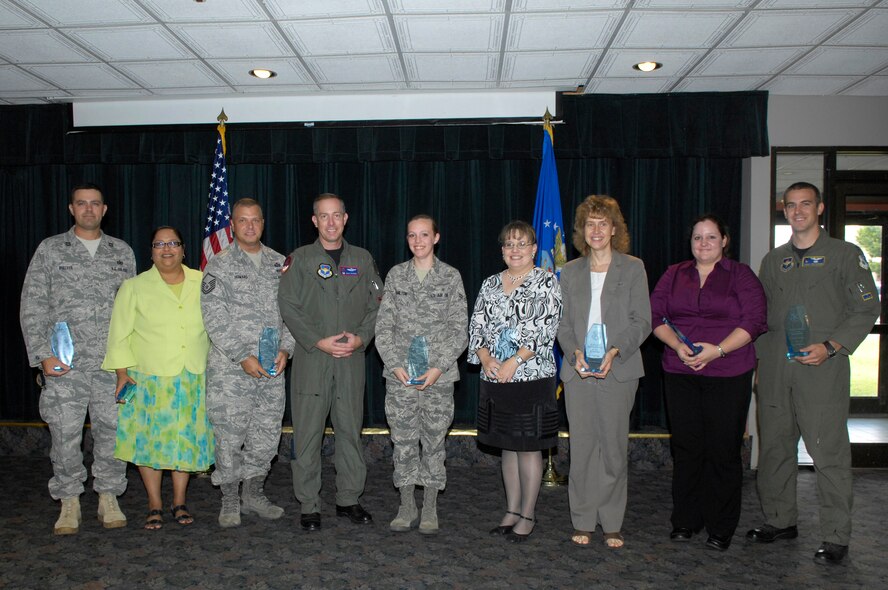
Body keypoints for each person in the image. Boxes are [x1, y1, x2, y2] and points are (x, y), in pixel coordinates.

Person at [749, 182, 880, 565]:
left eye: (806, 204)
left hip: (822, 367)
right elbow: (763, 318)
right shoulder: (773, 261)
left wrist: (832, 346)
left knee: (828, 452)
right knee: (774, 447)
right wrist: (759, 363)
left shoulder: (844, 254)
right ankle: (780, 519)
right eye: (791, 206)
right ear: (784, 211)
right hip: (775, 368)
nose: (798, 211)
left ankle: (836, 535)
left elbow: (865, 309)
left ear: (820, 208)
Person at [20, 183, 136, 535]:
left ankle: (108, 496)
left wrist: (127, 365)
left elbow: (132, 312)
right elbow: (32, 305)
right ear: (71, 209)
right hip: (64, 365)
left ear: (105, 209)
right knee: (65, 434)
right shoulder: (51, 250)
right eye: (81, 204)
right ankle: (69, 501)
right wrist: (42, 356)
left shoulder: (122, 252)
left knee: (112, 433)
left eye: (95, 204)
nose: (88, 209)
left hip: (110, 365)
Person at [650, 214, 767, 551]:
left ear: (724, 241)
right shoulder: (674, 274)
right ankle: (686, 519)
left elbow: (755, 321)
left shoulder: (741, 275)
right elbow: (655, 316)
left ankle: (720, 525)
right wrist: (677, 345)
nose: (703, 243)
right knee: (686, 449)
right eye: (697, 237)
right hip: (680, 371)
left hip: (728, 373)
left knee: (723, 449)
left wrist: (717, 351)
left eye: (711, 237)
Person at [278, 193, 383, 531]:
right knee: (307, 434)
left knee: (350, 431)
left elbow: (378, 304)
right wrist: (316, 340)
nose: (331, 222)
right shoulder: (300, 259)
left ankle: (348, 499)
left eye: (336, 215)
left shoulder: (362, 259)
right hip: (312, 359)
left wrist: (362, 338)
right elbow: (288, 305)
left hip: (351, 359)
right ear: (314, 221)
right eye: (324, 216)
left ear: (346, 218)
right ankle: (309, 504)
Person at [102, 226, 214, 530]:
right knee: (149, 442)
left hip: (191, 375)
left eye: (173, 243)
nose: (167, 249)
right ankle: (154, 503)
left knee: (184, 441)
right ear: (151, 251)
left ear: (184, 249)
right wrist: (122, 373)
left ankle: (179, 501)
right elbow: (119, 334)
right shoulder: (135, 286)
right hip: (148, 378)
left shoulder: (202, 282)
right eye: (159, 244)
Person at [557, 195, 651, 549]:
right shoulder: (569, 271)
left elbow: (642, 321)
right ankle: (582, 518)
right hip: (578, 369)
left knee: (612, 448)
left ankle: (611, 521)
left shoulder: (633, 267)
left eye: (603, 223)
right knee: (582, 448)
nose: (596, 230)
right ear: (583, 230)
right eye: (590, 224)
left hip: (619, 368)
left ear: (614, 229)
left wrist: (614, 351)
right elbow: (562, 324)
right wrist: (575, 352)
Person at [201, 198, 295, 528]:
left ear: (263, 222)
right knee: (229, 436)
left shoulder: (281, 263)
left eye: (256, 220)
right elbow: (214, 317)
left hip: (272, 369)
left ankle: (254, 494)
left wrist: (287, 349)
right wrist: (242, 356)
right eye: (243, 220)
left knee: (266, 435)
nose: (250, 226)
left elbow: (293, 313)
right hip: (231, 370)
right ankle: (229, 498)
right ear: (232, 224)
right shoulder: (219, 265)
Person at [468, 220, 562, 543]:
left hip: (530, 377)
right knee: (507, 444)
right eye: (509, 244)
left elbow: (545, 330)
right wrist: (485, 358)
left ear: (535, 249)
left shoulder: (547, 282)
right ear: (502, 250)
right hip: (495, 376)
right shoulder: (490, 283)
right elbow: (476, 327)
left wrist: (514, 361)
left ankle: (528, 515)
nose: (515, 250)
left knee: (528, 447)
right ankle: (511, 510)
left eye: (522, 244)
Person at [375, 214, 468, 534]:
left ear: (436, 238)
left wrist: (438, 367)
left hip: (437, 378)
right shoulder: (396, 276)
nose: (418, 241)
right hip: (400, 377)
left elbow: (459, 330)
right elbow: (383, 328)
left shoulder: (450, 276)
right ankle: (406, 504)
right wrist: (394, 365)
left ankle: (429, 506)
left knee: (433, 442)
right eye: (412, 235)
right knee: (402, 441)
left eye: (424, 235)